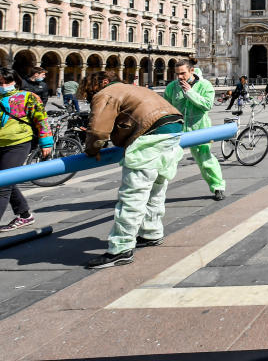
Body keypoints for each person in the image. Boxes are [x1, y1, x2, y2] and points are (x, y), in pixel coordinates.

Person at [82, 70, 185, 269]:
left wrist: (92, 149)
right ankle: (151, 232)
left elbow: (97, 130)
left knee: (133, 194)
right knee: (156, 188)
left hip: (151, 135)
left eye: (90, 87)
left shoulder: (107, 93)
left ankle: (121, 249)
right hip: (173, 128)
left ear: (103, 81)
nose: (90, 93)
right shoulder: (132, 88)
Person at [0, 67, 53, 233]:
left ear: (14, 81)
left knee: (3, 184)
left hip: (18, 143)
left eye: (6, 82)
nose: (2, 85)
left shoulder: (28, 97)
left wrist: (46, 143)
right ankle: (24, 215)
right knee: (8, 179)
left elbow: (41, 120)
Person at [163, 61, 225, 201]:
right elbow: (165, 106)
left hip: (199, 129)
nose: (179, 77)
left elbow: (207, 105)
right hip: (177, 128)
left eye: (183, 73)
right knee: (166, 160)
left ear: (192, 71)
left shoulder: (205, 85)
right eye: (177, 73)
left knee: (205, 159)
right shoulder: (172, 87)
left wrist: (189, 92)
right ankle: (156, 192)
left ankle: (218, 187)